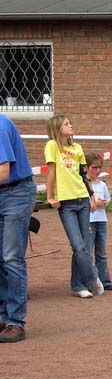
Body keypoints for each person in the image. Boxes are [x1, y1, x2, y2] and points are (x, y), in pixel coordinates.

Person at [45, 115, 103, 299]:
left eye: (70, 123)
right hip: (67, 203)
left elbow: (83, 175)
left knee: (85, 244)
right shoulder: (52, 146)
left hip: (82, 199)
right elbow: (51, 172)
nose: (71, 126)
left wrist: (91, 197)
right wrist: (50, 196)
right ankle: (92, 278)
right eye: (66, 124)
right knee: (78, 245)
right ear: (58, 128)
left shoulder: (77, 147)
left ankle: (78, 285)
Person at [0, 114, 37, 342]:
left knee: (11, 257)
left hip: (15, 193)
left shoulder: (0, 125)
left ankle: (16, 321)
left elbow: (3, 171)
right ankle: (3, 317)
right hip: (6, 192)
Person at [86, 153, 112, 291]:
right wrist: (93, 202)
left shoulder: (102, 184)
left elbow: (108, 198)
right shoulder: (83, 184)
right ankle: (90, 280)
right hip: (89, 221)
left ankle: (105, 279)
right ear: (86, 168)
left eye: (99, 168)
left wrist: (105, 203)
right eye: (94, 167)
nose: (97, 171)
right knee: (88, 251)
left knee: (101, 252)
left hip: (101, 220)